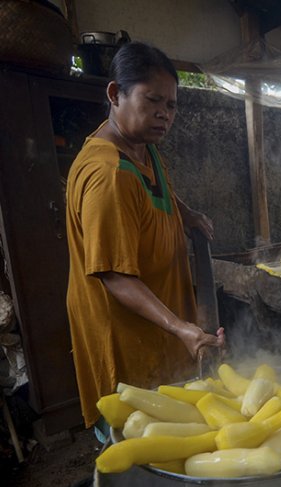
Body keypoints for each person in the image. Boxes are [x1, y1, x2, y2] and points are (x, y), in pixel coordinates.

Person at [65, 42, 225, 430]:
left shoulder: (140, 145)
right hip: (126, 333)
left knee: (170, 422)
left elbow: (159, 188)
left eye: (171, 105)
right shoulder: (108, 176)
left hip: (160, 318)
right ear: (115, 94)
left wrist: (186, 214)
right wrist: (180, 327)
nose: (164, 115)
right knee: (135, 430)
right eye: (152, 101)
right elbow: (114, 275)